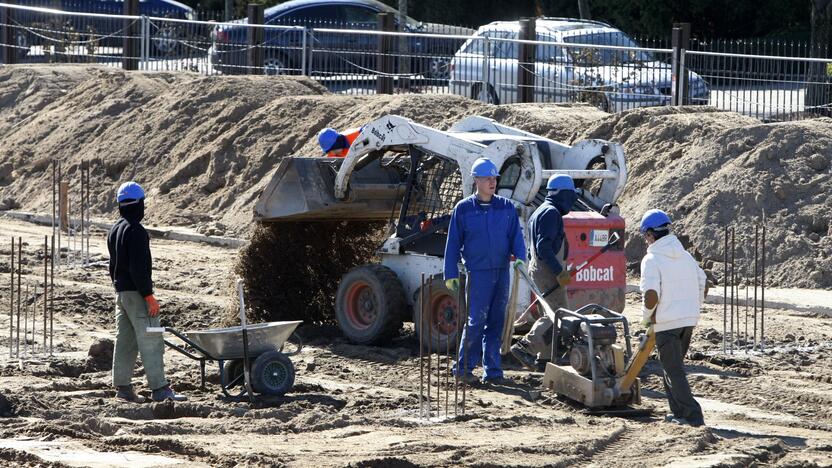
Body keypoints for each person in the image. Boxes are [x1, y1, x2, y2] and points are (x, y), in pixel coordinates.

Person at [444, 157, 526, 385]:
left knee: (496, 321)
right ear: (476, 181)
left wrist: (521, 258)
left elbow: (516, 238)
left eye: (495, 178)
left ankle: (493, 371)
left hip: (501, 272)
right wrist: (450, 273)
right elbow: (452, 243)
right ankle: (464, 368)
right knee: (475, 321)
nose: (493, 182)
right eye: (488, 178)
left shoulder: (506, 207)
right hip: (478, 273)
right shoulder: (463, 209)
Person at [108, 181, 186, 403]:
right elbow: (138, 269)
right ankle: (160, 389)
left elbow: (113, 266)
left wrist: (120, 290)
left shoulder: (115, 229)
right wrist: (149, 296)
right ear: (139, 204)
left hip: (121, 294)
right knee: (151, 338)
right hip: (136, 293)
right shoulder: (136, 231)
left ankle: (123, 388)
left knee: (125, 340)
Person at [639, 209, 707, 427]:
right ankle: (677, 412)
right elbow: (703, 284)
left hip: (666, 323)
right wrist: (693, 307)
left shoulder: (651, 259)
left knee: (673, 370)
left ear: (651, 234)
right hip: (688, 320)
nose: (645, 239)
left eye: (645, 235)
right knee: (670, 366)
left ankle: (692, 415)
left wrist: (647, 318)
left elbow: (651, 296)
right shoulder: (686, 256)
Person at [510, 174, 577, 370]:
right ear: (563, 194)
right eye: (571, 195)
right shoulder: (551, 213)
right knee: (558, 315)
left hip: (539, 271)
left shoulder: (540, 212)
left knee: (549, 314)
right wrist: (559, 272)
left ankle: (544, 359)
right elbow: (544, 247)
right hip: (547, 273)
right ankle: (525, 347)